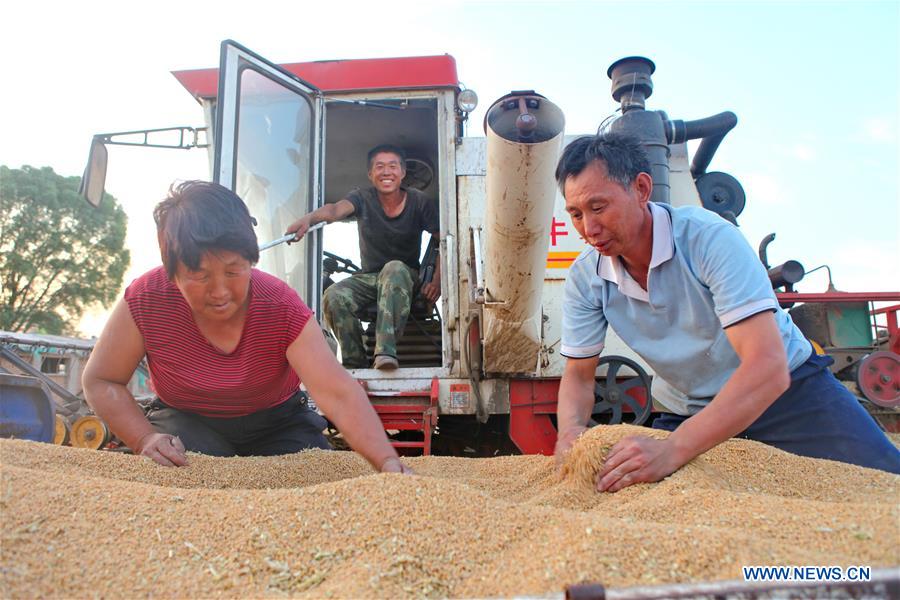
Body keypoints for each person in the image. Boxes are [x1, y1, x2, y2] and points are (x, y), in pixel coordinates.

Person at [553, 132, 900, 491]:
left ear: (641, 189)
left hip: (789, 394)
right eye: (576, 214)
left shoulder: (708, 238)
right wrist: (571, 432)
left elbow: (767, 367)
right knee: (629, 495)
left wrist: (672, 450)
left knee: (883, 483)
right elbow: (579, 376)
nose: (588, 229)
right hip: (688, 410)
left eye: (598, 208)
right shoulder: (585, 278)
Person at [82, 180, 411, 474]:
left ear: (251, 259)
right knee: (178, 470)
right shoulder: (147, 298)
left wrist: (386, 460)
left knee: (310, 471)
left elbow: (337, 393)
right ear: (171, 269)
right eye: (199, 275)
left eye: (233, 271)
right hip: (186, 423)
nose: (220, 292)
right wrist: (144, 438)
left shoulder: (279, 304)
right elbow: (102, 380)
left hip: (277, 425)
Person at [286, 144, 440, 370]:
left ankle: (385, 353)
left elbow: (444, 241)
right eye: (379, 167)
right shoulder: (361, 197)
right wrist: (309, 219)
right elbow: (335, 210)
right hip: (370, 278)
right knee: (334, 295)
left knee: (394, 268)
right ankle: (354, 363)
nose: (386, 172)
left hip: (405, 278)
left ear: (403, 172)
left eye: (392, 166)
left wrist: (436, 281)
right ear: (370, 174)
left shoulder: (419, 201)